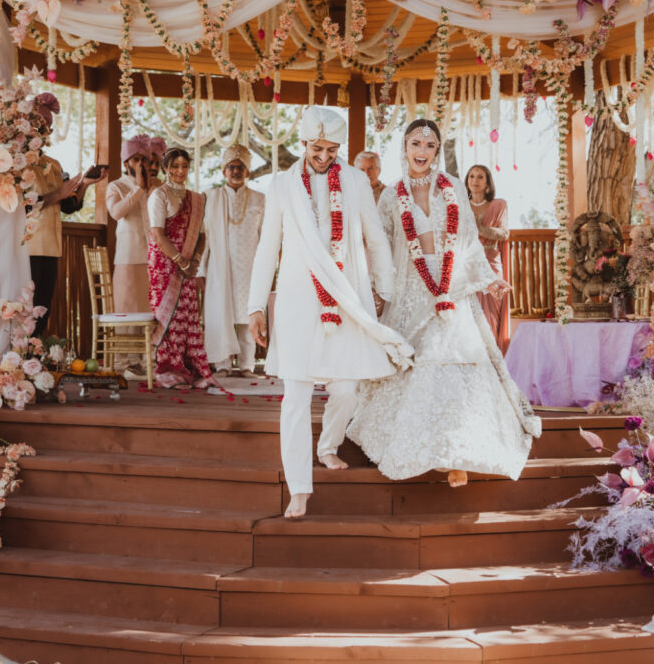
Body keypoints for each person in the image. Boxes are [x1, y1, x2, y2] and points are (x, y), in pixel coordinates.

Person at [347, 118, 540, 487]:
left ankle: (457, 454)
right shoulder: (390, 196)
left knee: (452, 359)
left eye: (430, 145)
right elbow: (381, 247)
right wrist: (374, 290)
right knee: (413, 362)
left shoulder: (452, 187)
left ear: (437, 151)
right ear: (404, 148)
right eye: (415, 144)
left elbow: (467, 238)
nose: (422, 152)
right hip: (410, 286)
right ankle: (418, 447)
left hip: (450, 286)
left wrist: (489, 278)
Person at [248, 106, 412, 519]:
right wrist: (255, 306)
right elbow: (268, 247)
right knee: (296, 397)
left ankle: (327, 445)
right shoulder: (282, 185)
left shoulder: (356, 180)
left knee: (345, 388)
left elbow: (375, 239)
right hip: (297, 299)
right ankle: (299, 488)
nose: (324, 156)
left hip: (347, 294)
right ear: (303, 143)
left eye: (332, 149)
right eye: (317, 148)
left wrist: (383, 291)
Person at [28, 93, 107, 335]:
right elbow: (22, 207)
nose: (45, 130)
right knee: (25, 308)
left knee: (43, 307)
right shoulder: (17, 162)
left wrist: (84, 184)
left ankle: (35, 355)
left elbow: (69, 206)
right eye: (40, 123)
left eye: (48, 126)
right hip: (25, 247)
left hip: (51, 247)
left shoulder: (54, 164)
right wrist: (58, 195)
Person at [147, 146, 211, 388]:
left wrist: (194, 261)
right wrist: (181, 261)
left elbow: (202, 236)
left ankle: (187, 367)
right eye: (174, 166)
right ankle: (167, 368)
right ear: (165, 168)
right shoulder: (159, 195)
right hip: (165, 263)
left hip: (187, 265)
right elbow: (157, 233)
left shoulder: (196, 199)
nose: (180, 170)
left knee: (187, 315)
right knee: (170, 316)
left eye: (184, 165)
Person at [202, 144, 265, 378]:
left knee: (247, 314)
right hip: (220, 267)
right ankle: (222, 365)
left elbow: (266, 237)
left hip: (251, 267)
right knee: (221, 314)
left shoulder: (260, 199)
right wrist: (201, 271)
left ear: (248, 172)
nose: (236, 171)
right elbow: (205, 237)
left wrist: (269, 272)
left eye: (241, 167)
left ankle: (247, 365)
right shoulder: (212, 198)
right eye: (231, 167)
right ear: (223, 171)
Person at [466, 164, 510, 353]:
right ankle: (470, 356)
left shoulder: (498, 205)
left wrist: (480, 230)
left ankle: (492, 357)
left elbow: (504, 233)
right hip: (467, 264)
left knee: (491, 310)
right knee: (468, 310)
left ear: (487, 183)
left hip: (491, 261)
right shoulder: (460, 205)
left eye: (480, 177)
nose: (475, 180)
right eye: (472, 176)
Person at [106, 135, 152, 314]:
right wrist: (139, 189)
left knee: (153, 312)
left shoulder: (155, 188)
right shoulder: (115, 186)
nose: (140, 164)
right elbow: (116, 213)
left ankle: (152, 344)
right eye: (135, 160)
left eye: (144, 160)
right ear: (126, 163)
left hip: (154, 258)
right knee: (128, 310)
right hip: (129, 258)